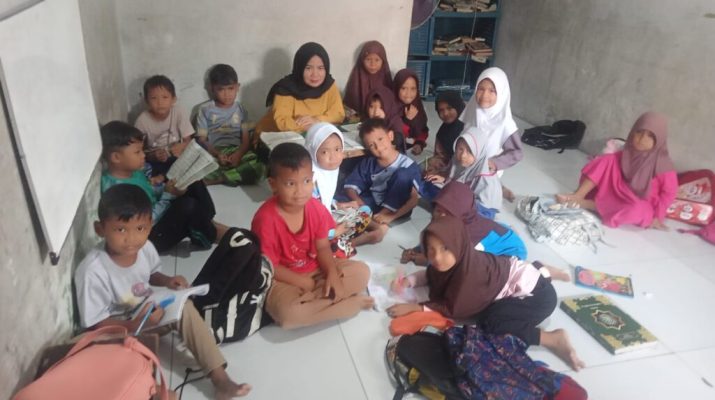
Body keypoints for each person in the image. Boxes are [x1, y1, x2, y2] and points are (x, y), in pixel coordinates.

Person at [74, 184, 250, 399]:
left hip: (147, 314)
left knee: (184, 307)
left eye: (140, 228)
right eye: (120, 230)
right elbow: (94, 324)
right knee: (120, 359)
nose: (131, 239)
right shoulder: (92, 271)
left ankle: (220, 378)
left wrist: (167, 281)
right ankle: (149, 390)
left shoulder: (144, 248)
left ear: (150, 225)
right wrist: (134, 325)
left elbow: (150, 274)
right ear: (100, 229)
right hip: (118, 328)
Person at [387, 216, 585, 372]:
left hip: (537, 298)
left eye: (445, 248)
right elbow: (431, 273)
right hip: (521, 277)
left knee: (492, 322)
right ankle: (543, 270)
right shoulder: (459, 259)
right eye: (430, 250)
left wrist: (416, 307)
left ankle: (553, 339)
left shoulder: (470, 274)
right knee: (495, 304)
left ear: (458, 244)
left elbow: (454, 308)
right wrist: (409, 281)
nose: (437, 258)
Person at [251, 143, 373, 329]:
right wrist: (304, 282)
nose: (300, 191)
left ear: (313, 178)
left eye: (306, 181)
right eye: (290, 183)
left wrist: (332, 274)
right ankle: (345, 304)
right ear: (273, 184)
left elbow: (322, 246)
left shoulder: (315, 208)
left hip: (317, 268)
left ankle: (317, 301)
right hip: (285, 279)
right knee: (287, 315)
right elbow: (270, 265)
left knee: (362, 272)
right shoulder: (265, 219)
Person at [100, 121, 226, 252]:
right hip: (150, 236)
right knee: (188, 206)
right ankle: (210, 235)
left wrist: (166, 188)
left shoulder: (133, 172)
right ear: (116, 157)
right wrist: (168, 195)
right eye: (137, 152)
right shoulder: (118, 191)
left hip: (157, 210)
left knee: (192, 181)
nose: (143, 155)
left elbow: (148, 191)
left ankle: (207, 221)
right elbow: (144, 223)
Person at [556, 112, 677, 229]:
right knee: (606, 160)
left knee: (637, 211)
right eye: (639, 132)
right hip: (616, 191)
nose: (642, 139)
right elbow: (608, 168)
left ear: (659, 140)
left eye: (650, 136)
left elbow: (669, 193)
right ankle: (578, 196)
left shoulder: (663, 165)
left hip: (638, 200)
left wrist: (658, 216)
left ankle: (590, 205)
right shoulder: (628, 151)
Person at [401, 181, 527, 265]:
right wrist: (418, 249)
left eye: (449, 213)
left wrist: (427, 260)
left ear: (462, 214)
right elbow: (434, 236)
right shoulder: (447, 219)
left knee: (482, 274)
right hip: (497, 232)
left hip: (510, 252)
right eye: (438, 210)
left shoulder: (469, 237)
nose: (441, 216)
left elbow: (455, 263)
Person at [342, 118, 422, 245]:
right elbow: (350, 187)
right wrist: (360, 204)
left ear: (390, 136)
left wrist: (390, 217)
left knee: (402, 175)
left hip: (398, 209)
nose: (378, 147)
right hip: (375, 203)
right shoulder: (369, 163)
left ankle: (376, 225)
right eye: (372, 145)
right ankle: (376, 229)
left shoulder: (409, 166)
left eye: (380, 139)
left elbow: (413, 200)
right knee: (341, 199)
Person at [304, 122, 372, 257]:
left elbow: (325, 198)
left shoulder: (328, 171)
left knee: (365, 212)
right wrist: (333, 231)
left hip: (326, 217)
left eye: (337, 149)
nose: (333, 156)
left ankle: (336, 240)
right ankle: (333, 240)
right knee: (334, 244)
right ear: (312, 151)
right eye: (325, 151)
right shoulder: (308, 178)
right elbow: (307, 214)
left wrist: (339, 204)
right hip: (311, 227)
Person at [255, 42, 345, 141]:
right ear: (299, 67)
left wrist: (317, 120)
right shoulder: (286, 88)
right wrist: (310, 126)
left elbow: (338, 114)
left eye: (320, 68)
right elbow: (282, 122)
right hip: (272, 137)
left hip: (310, 136)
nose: (315, 74)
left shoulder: (328, 85)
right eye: (308, 68)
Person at [460, 67, 523, 202]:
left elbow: (516, 152)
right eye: (480, 89)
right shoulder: (472, 109)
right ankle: (498, 187)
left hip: (486, 170)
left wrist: (494, 163)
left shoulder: (505, 123)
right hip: (465, 162)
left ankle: (496, 187)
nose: (484, 95)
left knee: (473, 203)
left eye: (492, 91)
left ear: (501, 93)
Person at [196, 64, 264, 186]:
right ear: (212, 88)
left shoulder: (241, 109)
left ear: (237, 87)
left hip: (236, 149)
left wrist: (239, 154)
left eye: (230, 88)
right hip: (214, 152)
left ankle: (220, 179)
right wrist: (217, 154)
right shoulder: (205, 109)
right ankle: (233, 175)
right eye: (221, 89)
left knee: (261, 165)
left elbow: (246, 140)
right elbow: (202, 140)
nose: (227, 94)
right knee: (196, 169)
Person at [425, 129, 502, 216]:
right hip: (461, 197)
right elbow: (457, 179)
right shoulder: (457, 160)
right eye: (460, 149)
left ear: (479, 153)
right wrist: (445, 180)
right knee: (431, 184)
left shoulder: (485, 178)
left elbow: (483, 209)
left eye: (470, 151)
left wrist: (452, 192)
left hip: (481, 209)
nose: (463, 155)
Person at [134, 75, 195, 177]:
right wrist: (153, 156)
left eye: (165, 97)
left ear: (173, 99)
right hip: (156, 159)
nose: (160, 102)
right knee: (146, 169)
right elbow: (137, 150)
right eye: (154, 98)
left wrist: (182, 146)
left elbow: (188, 140)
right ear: (147, 101)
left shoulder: (179, 112)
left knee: (199, 148)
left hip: (177, 155)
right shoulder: (142, 121)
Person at [344, 40, 393, 119]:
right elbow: (349, 109)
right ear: (362, 60)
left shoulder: (386, 81)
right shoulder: (356, 82)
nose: (372, 64)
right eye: (368, 59)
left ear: (383, 61)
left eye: (377, 60)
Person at [425, 90, 466, 176]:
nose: (445, 113)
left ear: (458, 106)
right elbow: (440, 156)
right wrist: (433, 169)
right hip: (450, 171)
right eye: (441, 110)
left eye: (449, 108)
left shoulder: (468, 127)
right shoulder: (442, 132)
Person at [393, 68, 429, 155]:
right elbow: (394, 137)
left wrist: (419, 143)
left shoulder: (416, 105)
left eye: (413, 88)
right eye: (403, 88)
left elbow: (423, 130)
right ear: (396, 88)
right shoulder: (390, 106)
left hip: (409, 151)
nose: (408, 93)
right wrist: (407, 120)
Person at [363, 86, 406, 153]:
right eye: (371, 107)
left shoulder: (395, 120)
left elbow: (398, 139)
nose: (376, 112)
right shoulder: (368, 121)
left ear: (388, 107)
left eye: (381, 107)